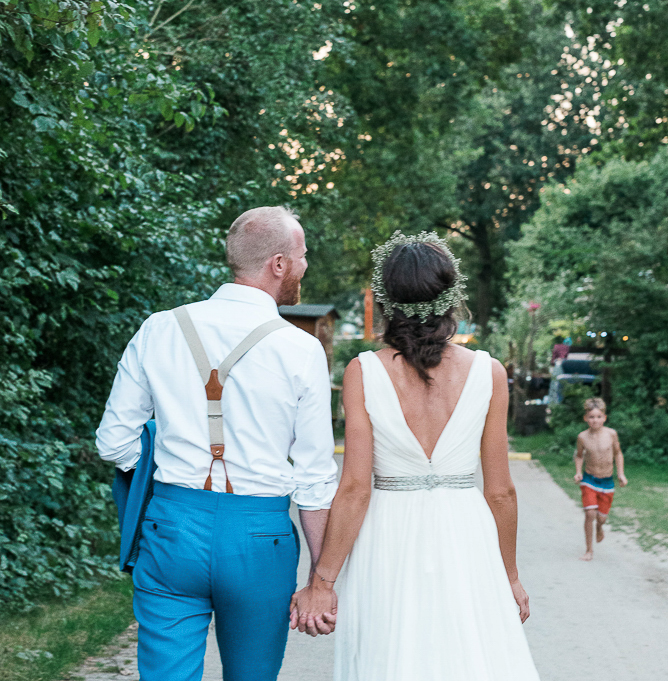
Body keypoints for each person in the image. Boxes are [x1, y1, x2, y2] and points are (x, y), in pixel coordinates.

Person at [96, 205, 337, 681]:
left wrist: (162, 458)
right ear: (279, 263)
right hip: (258, 535)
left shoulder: (160, 328)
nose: (306, 266)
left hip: (171, 527)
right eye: (303, 255)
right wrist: (319, 578)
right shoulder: (300, 349)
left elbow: (113, 442)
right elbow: (313, 478)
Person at [290, 231, 540, 681]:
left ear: (385, 300)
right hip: (467, 534)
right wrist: (511, 577)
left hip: (387, 536)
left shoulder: (362, 371)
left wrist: (321, 583)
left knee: (390, 656)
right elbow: (500, 492)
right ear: (451, 296)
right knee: (468, 660)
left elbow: (354, 489)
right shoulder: (489, 372)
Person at [574, 397, 627, 561]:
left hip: (607, 482)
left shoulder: (611, 434)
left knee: (601, 517)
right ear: (585, 418)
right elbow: (579, 455)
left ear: (604, 417)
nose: (595, 420)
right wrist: (578, 472)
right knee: (590, 513)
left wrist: (621, 473)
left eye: (598, 417)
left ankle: (600, 527)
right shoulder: (582, 437)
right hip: (589, 479)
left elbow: (618, 453)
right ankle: (589, 550)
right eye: (591, 417)